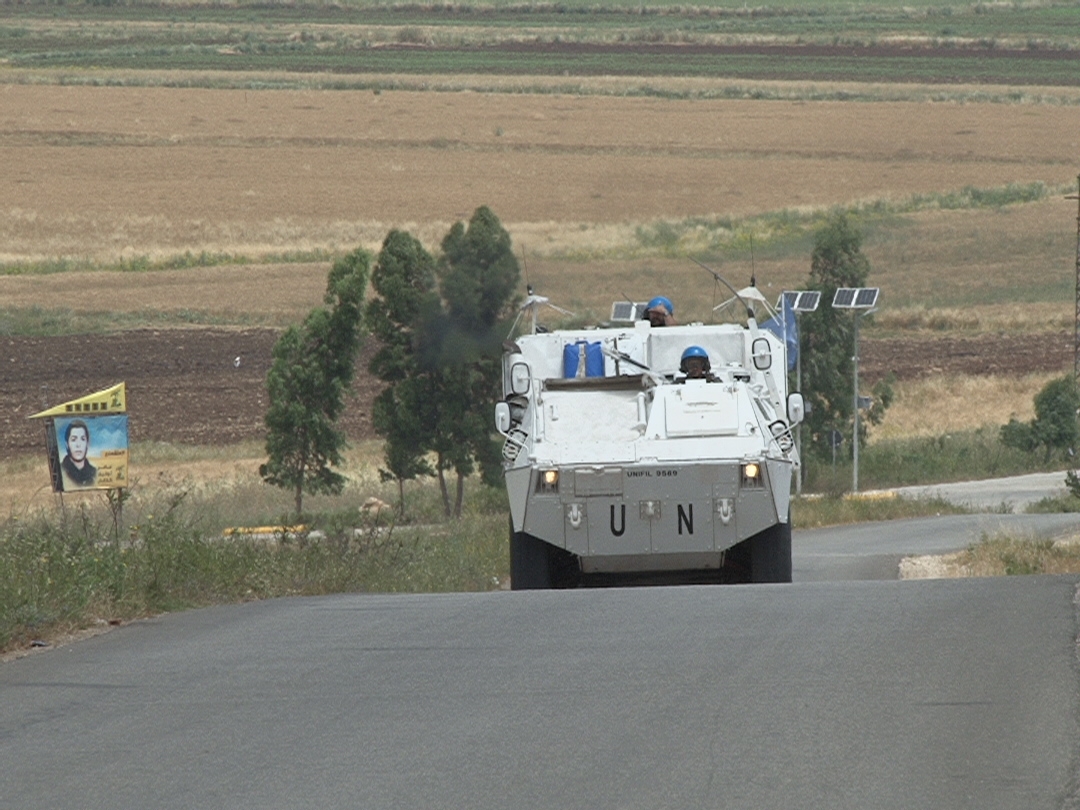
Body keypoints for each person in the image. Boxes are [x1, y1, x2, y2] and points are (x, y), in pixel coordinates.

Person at [60, 418, 97, 488]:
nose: (78, 445)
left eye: (82, 439)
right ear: (67, 444)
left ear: (87, 443)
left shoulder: (94, 473)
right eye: (73, 440)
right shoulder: (61, 471)